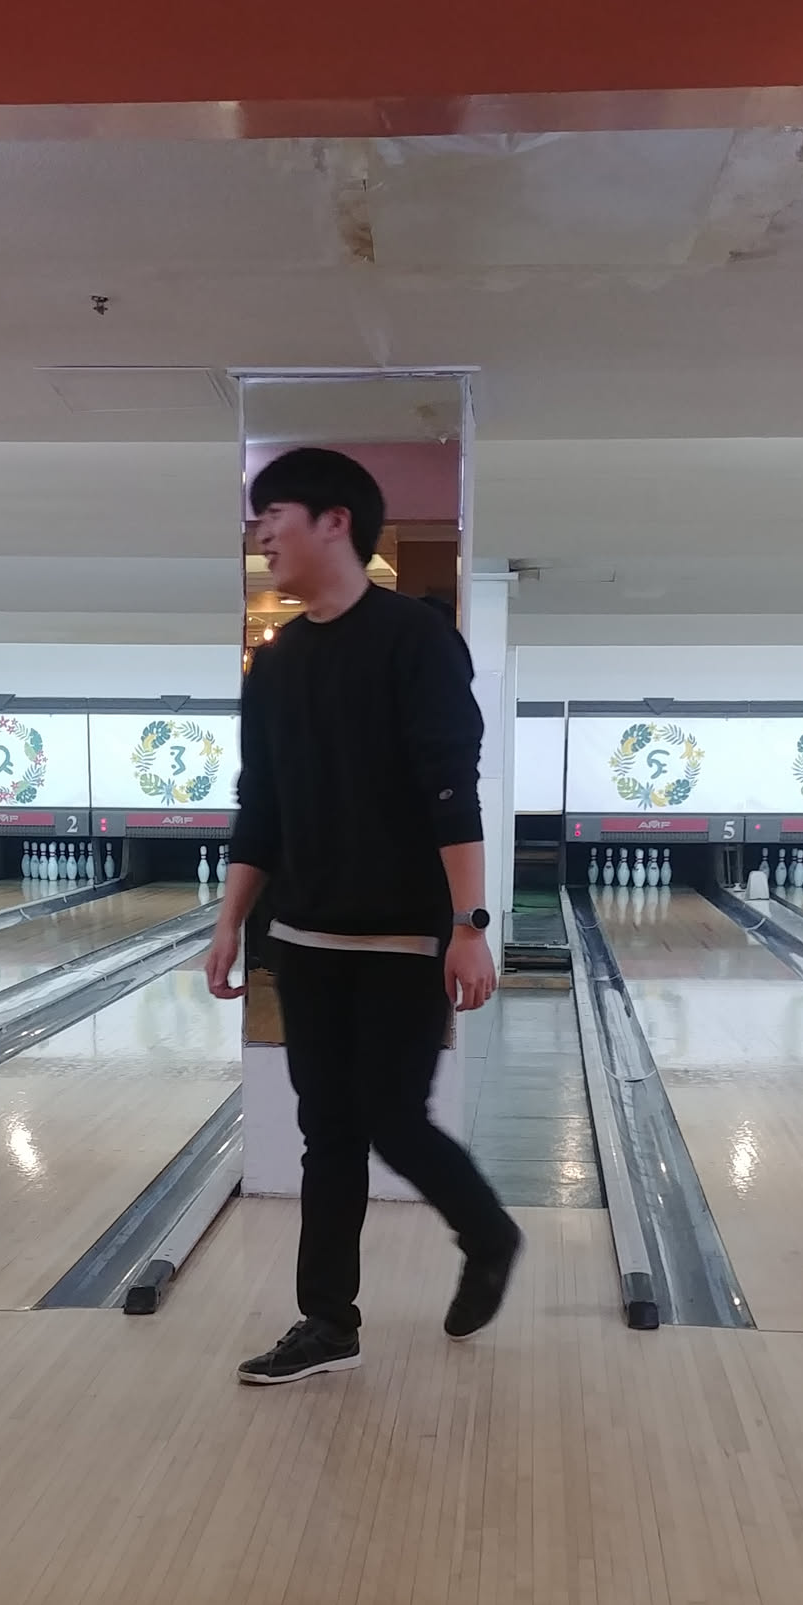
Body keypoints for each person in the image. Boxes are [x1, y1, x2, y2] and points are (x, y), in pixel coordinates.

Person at [207, 446, 521, 1385]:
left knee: (392, 1120)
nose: (263, 538)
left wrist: (469, 925)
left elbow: (449, 790)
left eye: (274, 518)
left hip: (400, 938)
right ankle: (326, 1322)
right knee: (328, 1135)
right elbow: (259, 807)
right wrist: (229, 924)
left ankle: (488, 1234)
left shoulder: (415, 639)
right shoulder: (276, 665)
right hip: (304, 938)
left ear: (334, 522)